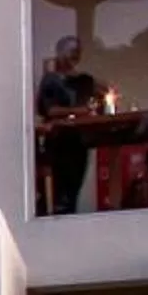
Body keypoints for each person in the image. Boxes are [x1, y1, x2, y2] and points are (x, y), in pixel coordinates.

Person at [35, 35, 101, 215]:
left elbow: (100, 94)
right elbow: (50, 110)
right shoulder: (51, 80)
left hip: (78, 140)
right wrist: (81, 111)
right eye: (72, 51)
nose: (76, 55)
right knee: (60, 193)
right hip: (60, 143)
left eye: (78, 51)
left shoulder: (82, 80)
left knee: (73, 191)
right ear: (61, 54)